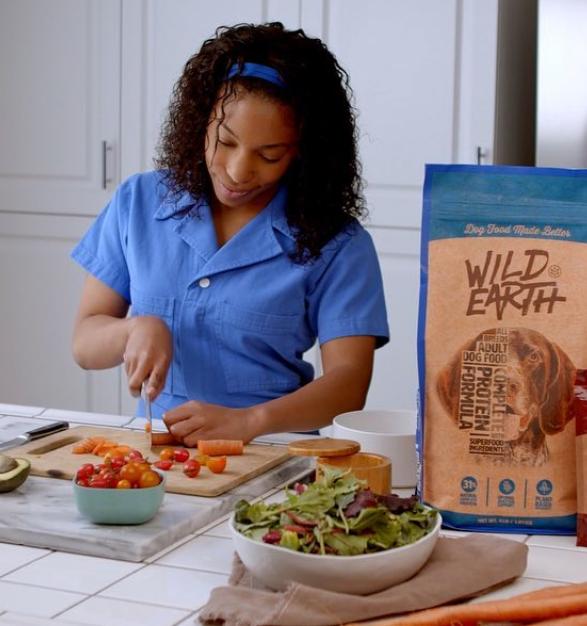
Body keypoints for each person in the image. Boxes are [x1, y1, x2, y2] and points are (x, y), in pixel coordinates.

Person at [70, 22, 389, 446]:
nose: (238, 172)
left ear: (302, 152)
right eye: (225, 142)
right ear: (199, 122)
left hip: (274, 452)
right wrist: (133, 329)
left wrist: (251, 422)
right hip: (157, 454)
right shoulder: (138, 202)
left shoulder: (338, 243)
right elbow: (85, 342)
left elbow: (349, 384)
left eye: (269, 155)